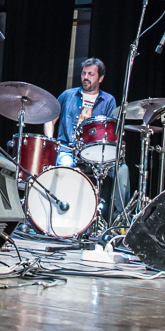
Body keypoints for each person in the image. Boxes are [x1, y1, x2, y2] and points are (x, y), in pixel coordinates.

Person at [43, 58, 130, 214]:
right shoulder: (67, 95)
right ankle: (63, 214)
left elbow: (111, 131)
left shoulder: (108, 100)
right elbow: (50, 119)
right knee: (66, 165)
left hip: (96, 154)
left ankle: (120, 219)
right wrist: (51, 140)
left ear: (100, 78)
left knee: (122, 169)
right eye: (84, 73)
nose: (86, 77)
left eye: (91, 74)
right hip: (67, 149)